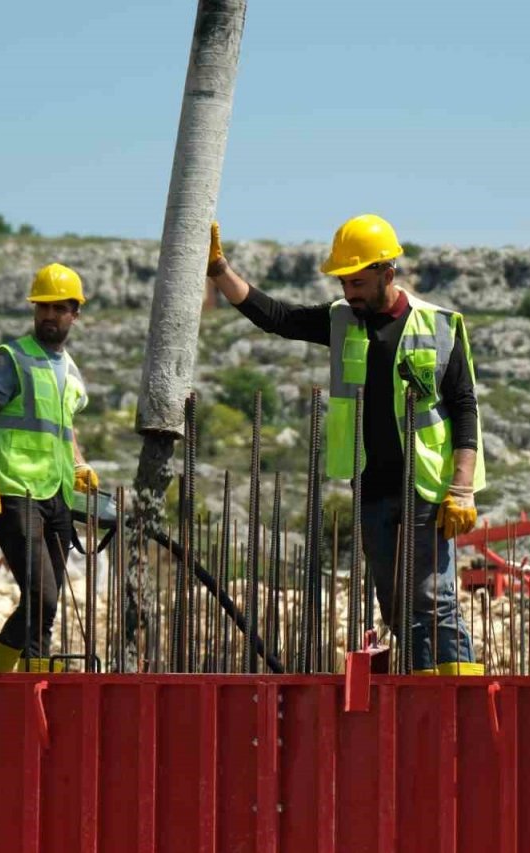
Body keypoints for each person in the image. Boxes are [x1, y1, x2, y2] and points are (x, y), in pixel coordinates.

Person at [206, 215, 485, 675]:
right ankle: (423, 688)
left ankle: (460, 698)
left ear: (387, 274)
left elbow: (465, 406)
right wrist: (220, 271)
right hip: (370, 487)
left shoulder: (440, 326)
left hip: (426, 487)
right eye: (344, 281)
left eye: (357, 281)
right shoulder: (340, 320)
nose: (349, 291)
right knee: (395, 605)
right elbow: (276, 317)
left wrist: (462, 487)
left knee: (430, 600)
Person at [0, 263, 98, 673]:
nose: (49, 315)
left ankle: (3, 676)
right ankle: (29, 683)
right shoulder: (11, 359)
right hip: (15, 493)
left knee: (43, 603)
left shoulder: (70, 371)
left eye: (59, 308)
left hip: (56, 496)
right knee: (44, 598)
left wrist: (79, 463)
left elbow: (64, 425)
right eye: (43, 307)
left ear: (75, 313)